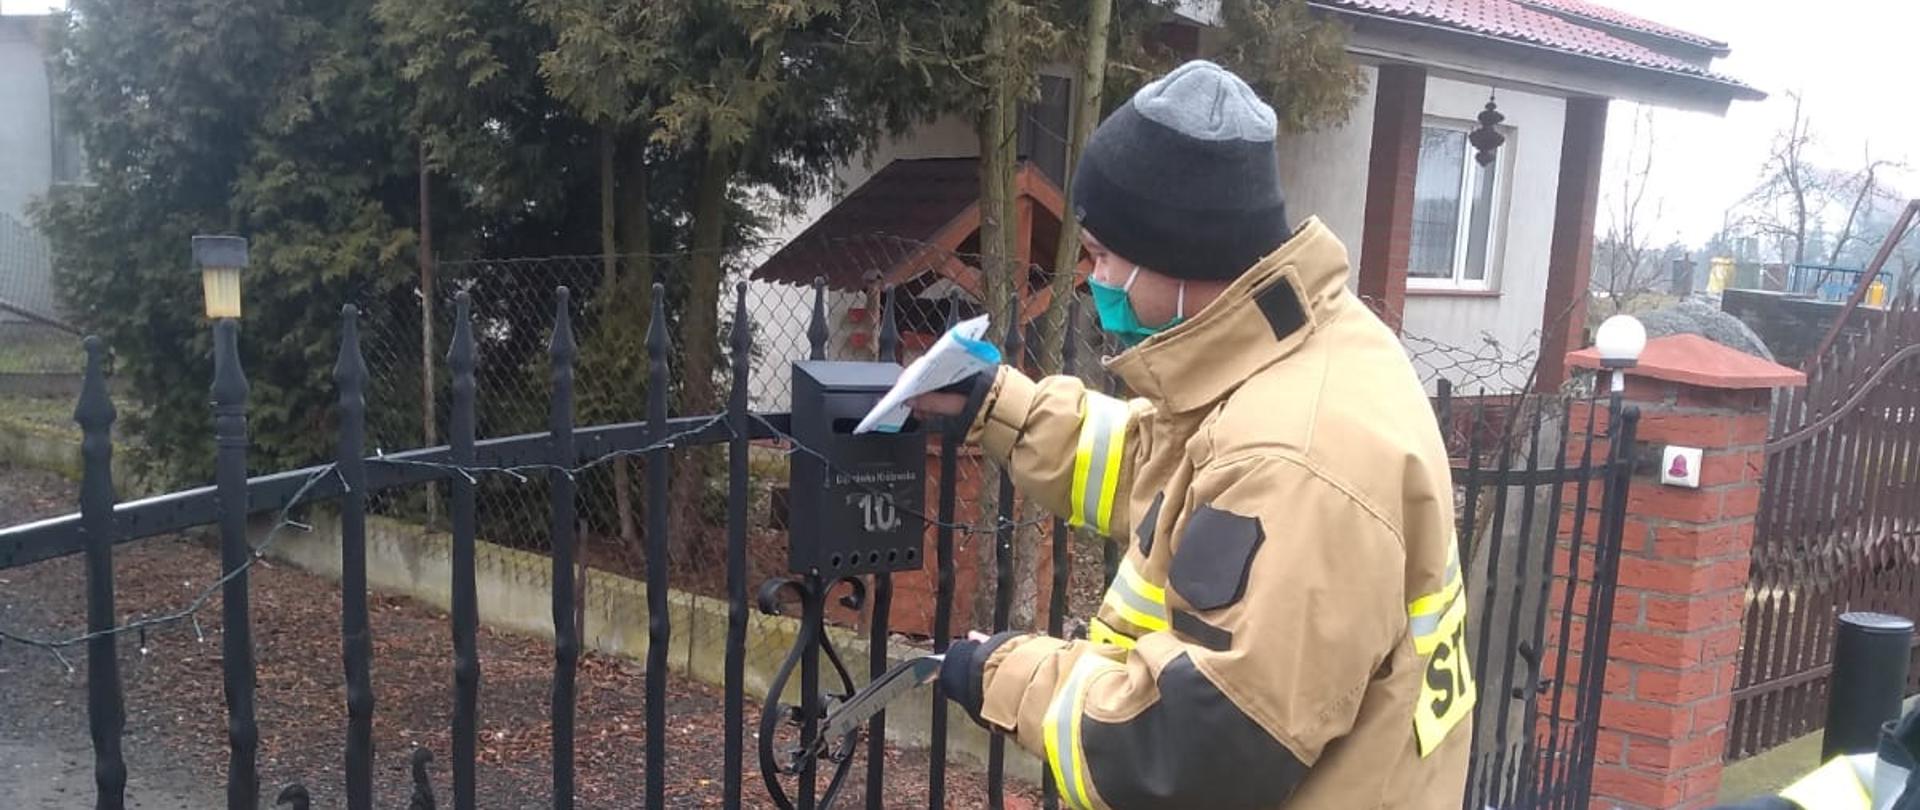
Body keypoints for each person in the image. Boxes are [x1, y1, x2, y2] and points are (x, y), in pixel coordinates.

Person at [910, 60, 1473, 809]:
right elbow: (1163, 471)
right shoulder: (1298, 344)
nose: (1093, 277)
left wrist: (1009, 675)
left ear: (1175, 254)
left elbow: (1193, 749)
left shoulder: (1297, 459)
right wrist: (999, 405)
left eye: (1103, 255)